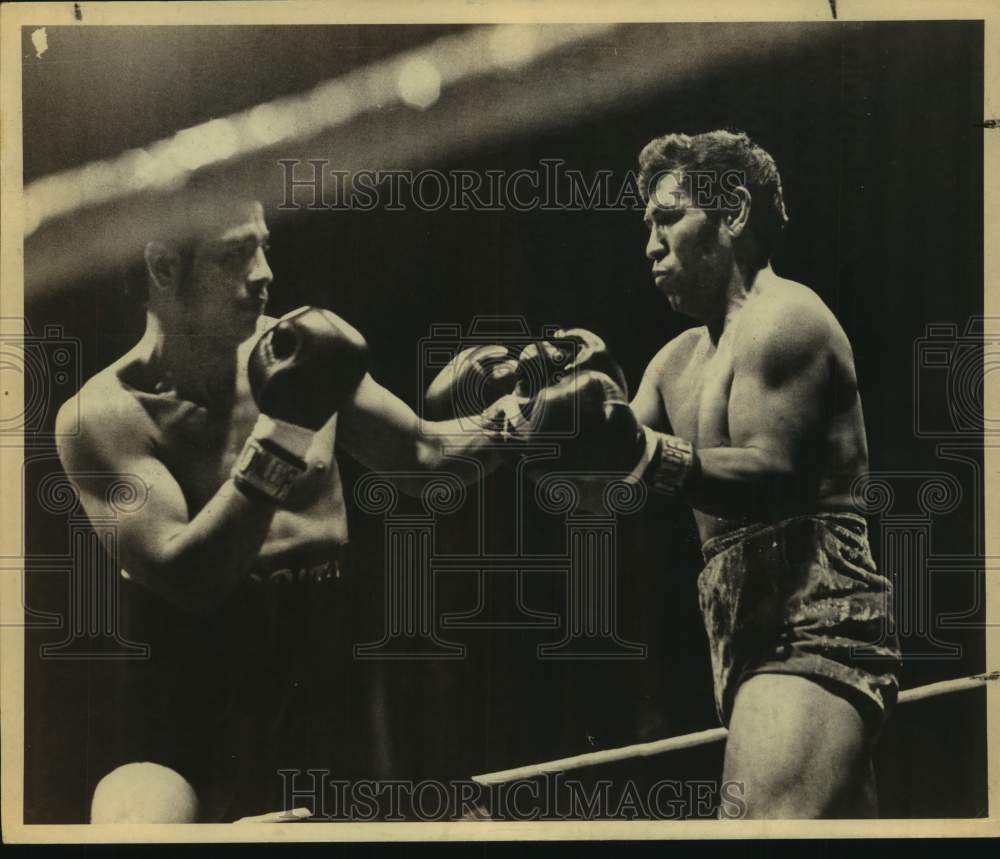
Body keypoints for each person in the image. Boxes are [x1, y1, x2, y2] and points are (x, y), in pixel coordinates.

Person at [449, 130, 902, 818]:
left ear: (734, 214)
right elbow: (605, 484)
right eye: (647, 226)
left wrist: (638, 449)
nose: (651, 244)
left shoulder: (789, 320)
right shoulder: (674, 363)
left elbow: (767, 472)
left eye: (668, 218)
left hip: (811, 630)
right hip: (746, 644)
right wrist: (524, 412)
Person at [55, 194, 502, 822]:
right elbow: (190, 578)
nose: (263, 272)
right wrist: (285, 433)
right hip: (196, 716)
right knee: (133, 828)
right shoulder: (103, 416)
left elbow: (425, 461)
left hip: (333, 688)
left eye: (264, 245)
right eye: (236, 254)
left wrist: (530, 414)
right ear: (162, 268)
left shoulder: (301, 352)